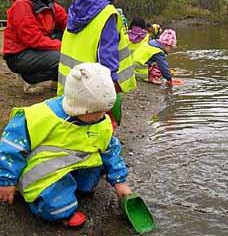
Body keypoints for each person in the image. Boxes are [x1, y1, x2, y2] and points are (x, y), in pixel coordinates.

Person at [0, 62, 132, 227]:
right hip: (43, 172)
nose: (102, 117)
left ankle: (79, 187)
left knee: (98, 162)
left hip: (70, 161)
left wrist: (120, 181)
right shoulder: (40, 117)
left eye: (105, 110)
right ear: (78, 108)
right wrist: (6, 180)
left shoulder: (100, 119)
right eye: (95, 112)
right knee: (56, 205)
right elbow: (10, 147)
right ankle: (58, 209)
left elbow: (109, 149)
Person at [57, 0, 136, 128]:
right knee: (104, 124)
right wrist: (110, 89)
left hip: (72, 83)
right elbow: (106, 56)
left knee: (75, 124)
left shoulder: (78, 8)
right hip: (94, 86)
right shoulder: (107, 14)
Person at [3, 0, 67, 94]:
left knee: (68, 36)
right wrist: (64, 47)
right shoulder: (23, 4)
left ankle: (57, 79)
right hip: (19, 54)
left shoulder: (51, 5)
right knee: (65, 56)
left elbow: (68, 24)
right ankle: (29, 78)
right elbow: (33, 39)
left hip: (36, 50)